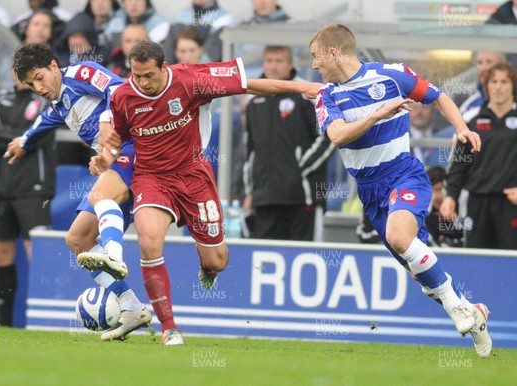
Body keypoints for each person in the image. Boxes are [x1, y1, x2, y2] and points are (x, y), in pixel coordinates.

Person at [90, 40, 319, 345]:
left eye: (149, 76)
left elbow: (248, 85)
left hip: (193, 177)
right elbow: (119, 136)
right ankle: (169, 326)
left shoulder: (191, 81)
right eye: (137, 76)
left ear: (164, 67)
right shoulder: (124, 96)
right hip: (151, 178)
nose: (142, 83)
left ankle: (206, 260)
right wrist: (107, 157)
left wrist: (300, 87)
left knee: (218, 260)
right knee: (148, 241)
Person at [310, 24, 491, 358]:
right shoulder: (326, 96)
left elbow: (437, 96)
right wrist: (378, 115)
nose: (314, 65)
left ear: (333, 52)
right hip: (369, 191)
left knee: (399, 237)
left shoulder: (392, 76)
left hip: (404, 174)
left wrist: (462, 128)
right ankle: (471, 309)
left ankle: (457, 309)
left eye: (316, 56)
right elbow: (338, 135)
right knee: (421, 276)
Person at [6, 43, 150, 341]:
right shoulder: (60, 104)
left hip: (137, 150)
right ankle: (131, 307)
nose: (38, 87)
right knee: (78, 239)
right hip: (116, 162)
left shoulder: (82, 73)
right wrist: (25, 141)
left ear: (54, 66)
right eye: (31, 84)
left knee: (100, 197)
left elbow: (119, 90)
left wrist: (107, 126)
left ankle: (113, 255)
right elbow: (45, 121)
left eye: (39, 77)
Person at [0, 72, 55, 326]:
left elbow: (39, 135)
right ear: (12, 72)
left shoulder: (45, 101)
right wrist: (18, 135)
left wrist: (8, 135)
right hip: (1, 186)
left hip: (35, 187)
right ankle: (4, 321)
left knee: (37, 249)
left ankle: (46, 318)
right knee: (1, 250)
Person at [242, 46, 334, 241]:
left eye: (279, 61)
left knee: (304, 255)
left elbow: (328, 135)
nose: (273, 66)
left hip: (302, 196)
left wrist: (299, 169)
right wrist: (250, 191)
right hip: (265, 198)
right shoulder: (254, 101)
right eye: (269, 61)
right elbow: (250, 150)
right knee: (264, 259)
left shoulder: (306, 95)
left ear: (290, 64)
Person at [441, 61, 517, 250]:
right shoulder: (471, 119)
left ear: (513, 86)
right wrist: (451, 196)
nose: (498, 87)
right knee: (478, 259)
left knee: (511, 264)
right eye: (494, 82)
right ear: (486, 86)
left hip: (510, 204)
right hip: (477, 202)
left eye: (504, 82)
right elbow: (459, 163)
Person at [163, 0, 236, 63]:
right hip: (176, 73)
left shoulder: (224, 20)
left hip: (207, 74)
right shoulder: (180, 17)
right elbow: (168, 57)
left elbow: (209, 60)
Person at [424, 166, 464, 247]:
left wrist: (455, 219)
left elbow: (466, 233)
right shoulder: (425, 215)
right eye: (430, 192)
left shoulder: (463, 205)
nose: (434, 198)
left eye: (438, 190)